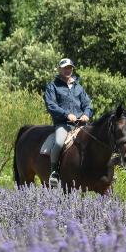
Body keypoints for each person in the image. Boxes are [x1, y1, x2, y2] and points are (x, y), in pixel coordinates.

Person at [44, 58, 93, 186]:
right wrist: (66, 115)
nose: (68, 70)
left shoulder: (78, 87)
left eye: (70, 68)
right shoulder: (53, 86)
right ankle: (54, 172)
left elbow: (88, 104)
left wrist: (86, 114)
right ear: (59, 69)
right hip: (63, 124)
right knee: (59, 142)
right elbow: (51, 105)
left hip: (81, 124)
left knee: (96, 140)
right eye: (65, 68)